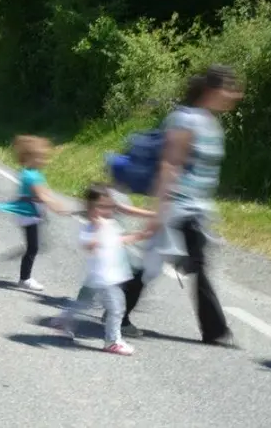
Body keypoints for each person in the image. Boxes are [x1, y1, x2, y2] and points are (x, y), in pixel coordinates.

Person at [139, 64, 244, 345]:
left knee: (153, 262)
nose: (235, 94)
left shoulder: (209, 122)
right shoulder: (185, 120)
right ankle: (215, 330)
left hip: (196, 208)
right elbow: (170, 164)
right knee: (192, 264)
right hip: (179, 206)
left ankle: (119, 308)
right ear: (211, 90)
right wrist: (159, 211)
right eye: (229, 88)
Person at [52, 183, 149, 356]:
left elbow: (118, 240)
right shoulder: (90, 227)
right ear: (90, 208)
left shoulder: (109, 224)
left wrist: (139, 235)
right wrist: (98, 230)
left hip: (101, 277)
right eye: (100, 207)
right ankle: (112, 341)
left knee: (84, 302)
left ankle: (64, 320)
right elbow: (88, 245)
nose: (105, 211)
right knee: (117, 308)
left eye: (108, 207)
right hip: (105, 278)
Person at [11, 135, 68, 291]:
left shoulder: (34, 173)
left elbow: (45, 191)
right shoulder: (29, 175)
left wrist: (54, 202)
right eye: (42, 157)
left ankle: (25, 277)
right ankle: (25, 278)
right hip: (27, 213)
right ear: (31, 157)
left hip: (32, 212)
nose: (45, 161)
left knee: (33, 246)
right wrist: (56, 207)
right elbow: (41, 195)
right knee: (33, 247)